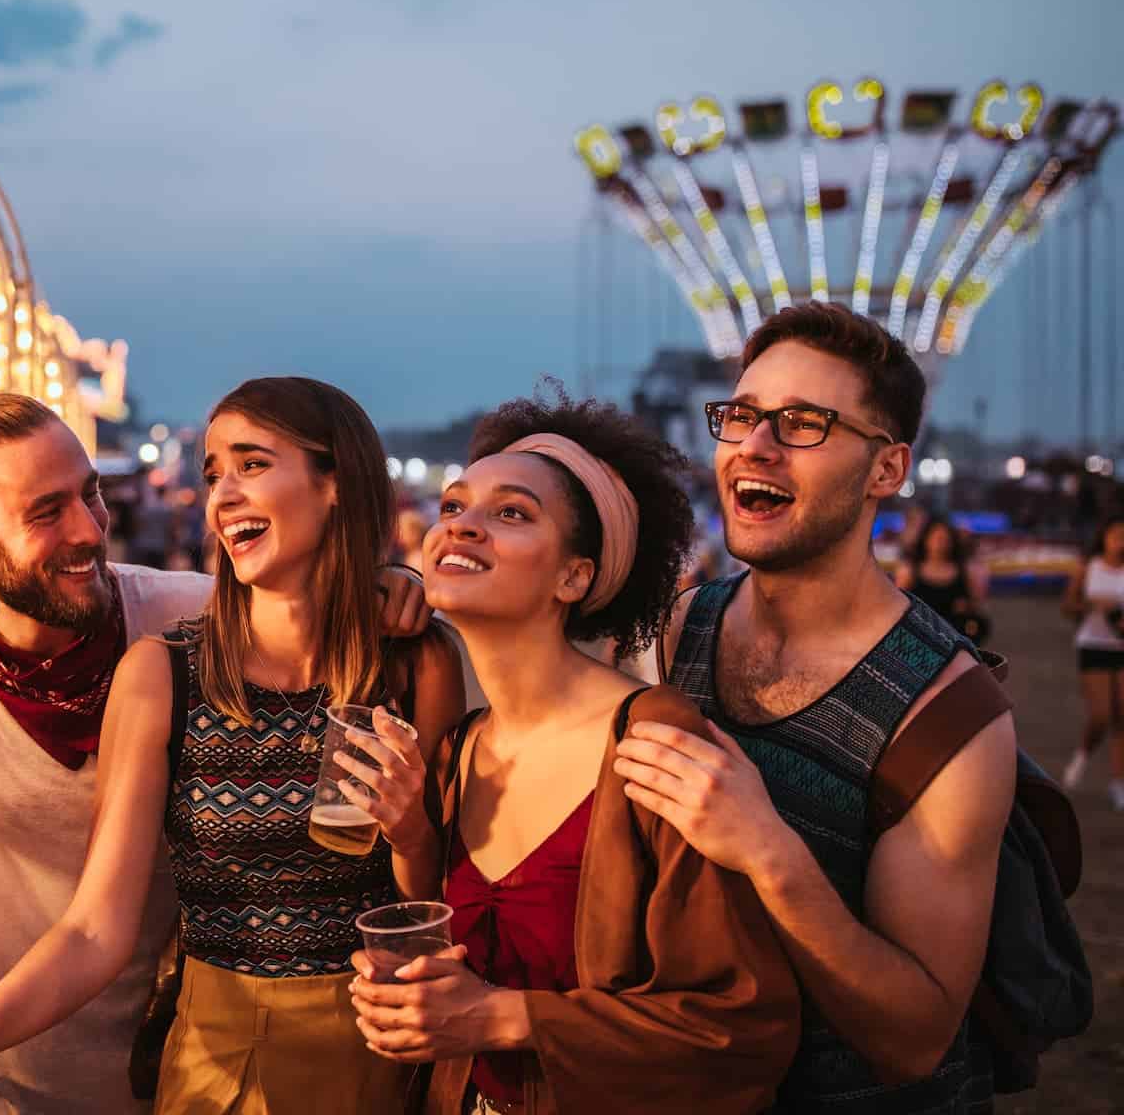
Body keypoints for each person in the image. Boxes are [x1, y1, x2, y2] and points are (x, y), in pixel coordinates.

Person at [0, 390, 431, 1115]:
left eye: (90, 495)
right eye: (46, 512)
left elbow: (305, 607)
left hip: (184, 1058)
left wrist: (389, 585)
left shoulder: (183, 618)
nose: (90, 531)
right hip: (1, 1073)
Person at [346, 392, 800, 1113]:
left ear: (574, 577)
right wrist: (410, 842)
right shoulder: (460, 748)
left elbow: (739, 1024)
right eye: (454, 507)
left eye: (512, 513)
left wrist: (501, 1016)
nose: (462, 525)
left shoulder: (650, 739)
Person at [619, 302, 1016, 1112]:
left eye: (803, 423)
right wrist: (404, 592)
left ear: (887, 469)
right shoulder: (677, 626)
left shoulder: (947, 717)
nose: (754, 447)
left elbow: (916, 1036)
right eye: (742, 416)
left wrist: (770, 852)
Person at [1060, 513, 1124, 809]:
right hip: (1094, 644)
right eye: (1115, 535)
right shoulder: (1090, 567)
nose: (1119, 541)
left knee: (1122, 716)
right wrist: (1094, 605)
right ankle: (1082, 758)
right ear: (1104, 538)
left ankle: (1118, 782)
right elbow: (1068, 605)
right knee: (1101, 714)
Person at [894, 515, 991, 646]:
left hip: (956, 639)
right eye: (936, 538)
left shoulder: (966, 571)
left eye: (945, 539)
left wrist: (968, 606)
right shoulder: (909, 571)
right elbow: (899, 607)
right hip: (920, 639)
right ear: (925, 539)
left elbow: (978, 605)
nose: (941, 543)